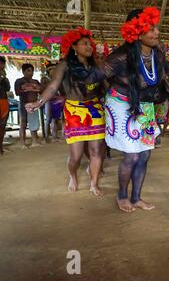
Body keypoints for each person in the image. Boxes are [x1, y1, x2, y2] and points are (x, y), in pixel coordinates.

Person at [72, 7, 167, 213]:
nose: (156, 33)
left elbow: (158, 81)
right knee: (132, 156)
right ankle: (122, 196)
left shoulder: (158, 54)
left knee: (144, 155)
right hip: (121, 105)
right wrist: (81, 62)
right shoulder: (121, 56)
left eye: (156, 28)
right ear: (136, 32)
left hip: (144, 106)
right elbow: (92, 77)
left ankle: (136, 197)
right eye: (150, 29)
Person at [26, 27, 106, 196]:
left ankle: (94, 183)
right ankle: (73, 175)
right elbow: (54, 86)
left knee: (97, 152)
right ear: (74, 47)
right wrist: (39, 102)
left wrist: (101, 62)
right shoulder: (65, 65)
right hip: (74, 111)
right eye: (84, 44)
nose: (89, 47)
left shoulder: (95, 64)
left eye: (90, 44)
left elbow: (105, 84)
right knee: (76, 156)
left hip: (95, 110)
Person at [15, 64, 42, 148]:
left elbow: (41, 90)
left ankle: (34, 141)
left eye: (32, 71)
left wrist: (34, 88)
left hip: (33, 104)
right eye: (28, 71)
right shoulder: (19, 81)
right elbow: (17, 92)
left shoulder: (36, 81)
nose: (31, 73)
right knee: (23, 123)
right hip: (23, 103)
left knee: (33, 122)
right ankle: (23, 143)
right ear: (23, 71)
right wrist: (26, 89)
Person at [41, 61, 64, 142]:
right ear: (48, 70)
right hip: (48, 101)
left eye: (55, 69)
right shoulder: (44, 79)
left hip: (57, 102)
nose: (53, 71)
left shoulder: (57, 79)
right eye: (52, 69)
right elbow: (43, 91)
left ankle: (54, 137)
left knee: (55, 119)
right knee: (48, 119)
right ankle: (46, 137)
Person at [0, 56, 11, 155]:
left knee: (3, 126)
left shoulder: (4, 77)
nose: (1, 65)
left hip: (3, 101)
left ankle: (1, 147)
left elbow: (8, 89)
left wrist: (4, 79)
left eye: (2, 64)